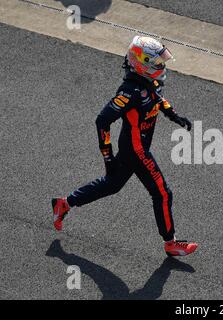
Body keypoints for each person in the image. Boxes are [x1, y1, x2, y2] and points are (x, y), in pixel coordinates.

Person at [51, 36, 198, 257]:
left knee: (113, 185)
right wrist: (108, 158)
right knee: (163, 194)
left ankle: (64, 203)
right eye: (157, 63)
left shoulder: (149, 82)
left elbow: (157, 99)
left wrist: (173, 115)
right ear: (142, 64)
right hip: (136, 151)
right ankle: (171, 243)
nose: (162, 66)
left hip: (136, 149)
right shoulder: (128, 91)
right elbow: (102, 121)